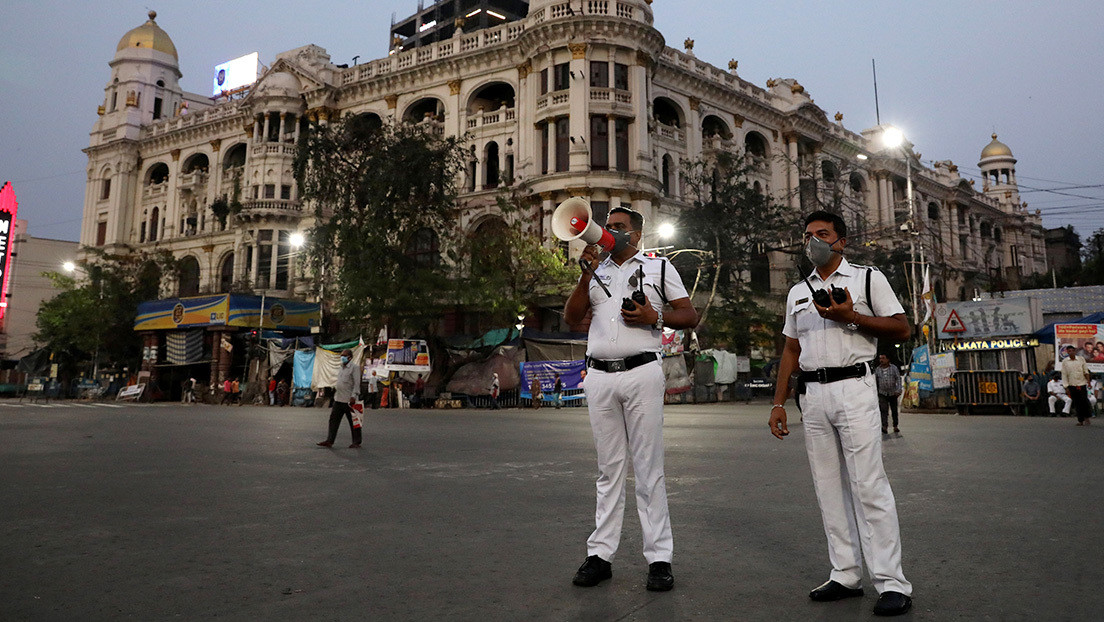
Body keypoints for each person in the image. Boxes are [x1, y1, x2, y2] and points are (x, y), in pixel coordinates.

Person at [767, 211, 913, 616]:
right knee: (828, 487)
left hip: (854, 387)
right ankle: (845, 573)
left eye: (823, 234)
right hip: (812, 394)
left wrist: (851, 317)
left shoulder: (866, 279)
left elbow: (902, 328)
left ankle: (891, 582)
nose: (814, 241)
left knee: (868, 485)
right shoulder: (799, 291)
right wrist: (779, 402)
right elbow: (791, 350)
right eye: (809, 235)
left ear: (841, 242)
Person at [563, 206, 698, 592]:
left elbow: (689, 315)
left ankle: (659, 558)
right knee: (608, 471)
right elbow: (572, 318)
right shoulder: (598, 269)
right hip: (600, 377)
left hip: (642, 373)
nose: (610, 232)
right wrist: (586, 272)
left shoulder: (658, 268)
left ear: (637, 235)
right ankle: (600, 555)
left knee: (648, 468)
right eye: (608, 226)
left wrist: (654, 318)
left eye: (619, 227)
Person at [317, 349, 363, 448]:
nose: (342, 357)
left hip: (349, 399)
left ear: (350, 357)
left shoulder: (354, 368)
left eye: (344, 356)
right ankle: (330, 440)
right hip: (338, 398)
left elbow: (356, 383)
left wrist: (353, 396)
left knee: (354, 421)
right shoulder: (341, 367)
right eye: (341, 355)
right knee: (333, 420)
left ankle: (356, 442)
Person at [1062, 345, 1092, 425]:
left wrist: (1088, 382)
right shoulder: (1065, 362)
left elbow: (1085, 371)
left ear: (1075, 351)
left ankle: (1087, 417)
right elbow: (1064, 375)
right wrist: (1066, 387)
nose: (1071, 352)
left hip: (1081, 384)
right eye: (1069, 351)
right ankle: (1080, 420)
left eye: (1072, 351)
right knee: (1077, 403)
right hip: (1072, 385)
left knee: (1084, 401)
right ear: (1067, 352)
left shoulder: (1081, 359)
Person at [874, 354, 902, 434]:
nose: (881, 360)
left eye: (883, 358)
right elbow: (875, 381)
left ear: (888, 359)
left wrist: (899, 389)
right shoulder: (878, 370)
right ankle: (884, 426)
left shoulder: (893, 368)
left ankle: (895, 426)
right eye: (880, 358)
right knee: (883, 410)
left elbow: (898, 379)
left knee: (894, 411)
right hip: (882, 393)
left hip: (893, 393)